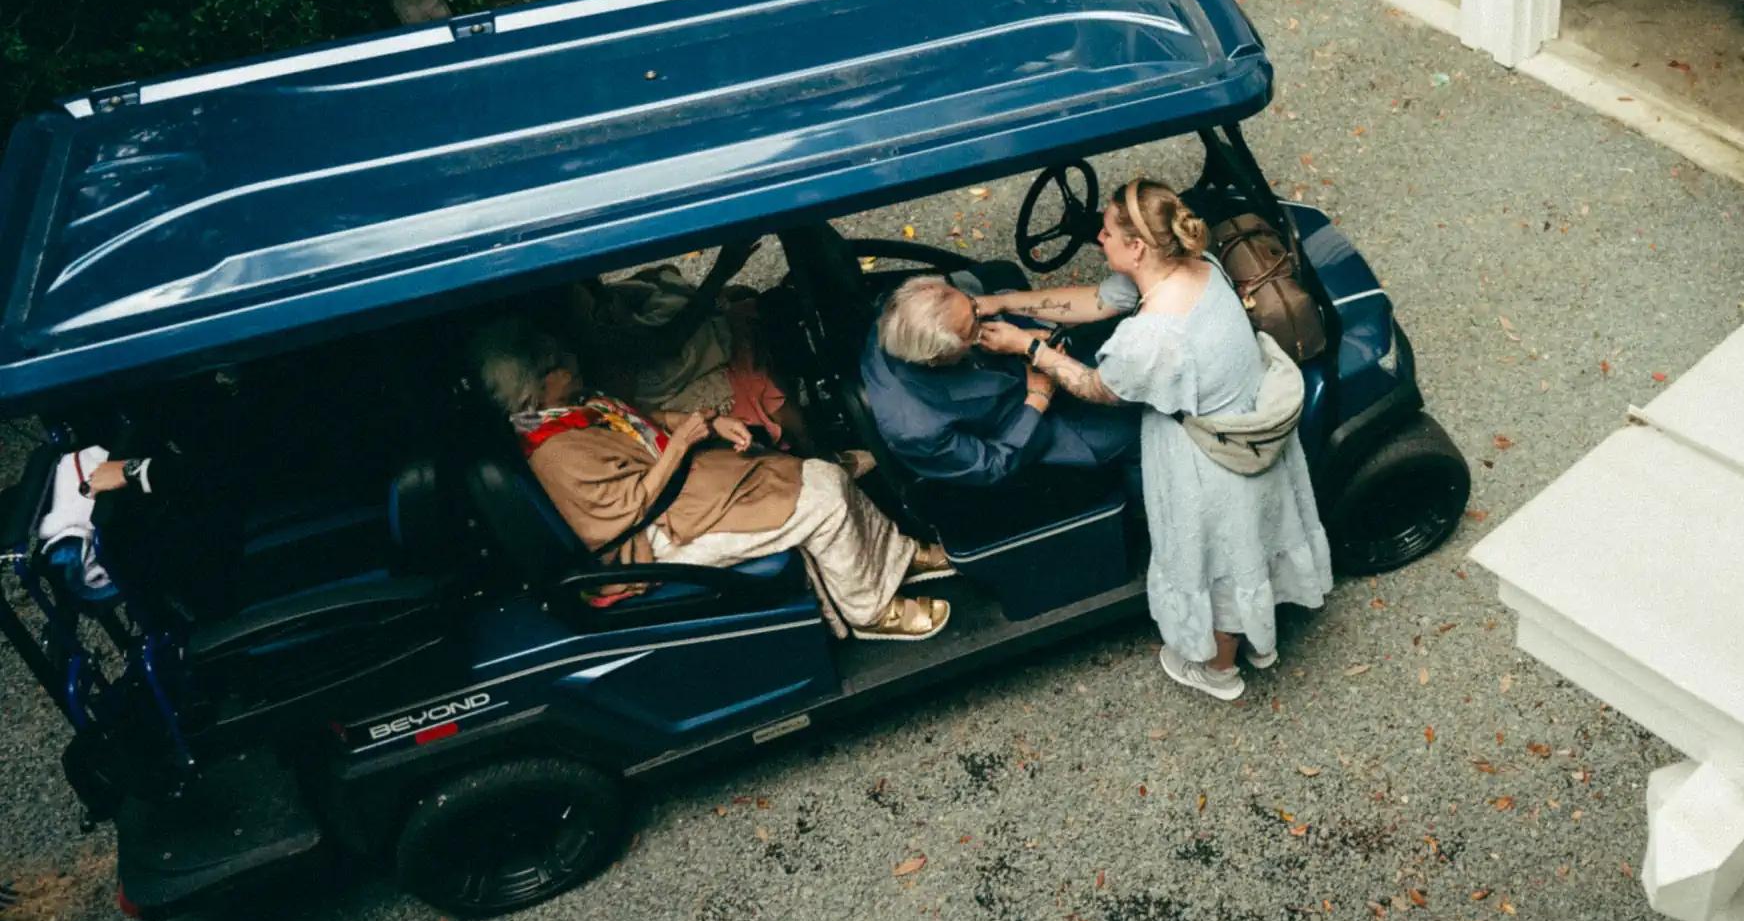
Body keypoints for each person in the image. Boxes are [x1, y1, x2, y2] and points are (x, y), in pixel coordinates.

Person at [973, 180, 1332, 704]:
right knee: (1252, 543)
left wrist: (1030, 349)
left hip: (1209, 459)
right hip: (1245, 421)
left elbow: (1099, 386)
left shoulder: (1152, 337)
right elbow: (1095, 300)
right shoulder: (1197, 262)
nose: (1097, 237)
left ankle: (1219, 670)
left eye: (1107, 231)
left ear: (1137, 247)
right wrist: (1004, 301)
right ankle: (1257, 638)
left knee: (1218, 564)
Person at [467, 318, 951, 642]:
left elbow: (644, 417)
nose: (571, 362)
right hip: (660, 536)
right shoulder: (553, 449)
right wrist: (679, 446)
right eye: (557, 365)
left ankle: (897, 554)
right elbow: (624, 513)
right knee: (823, 497)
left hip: (683, 493)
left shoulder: (570, 407)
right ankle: (869, 610)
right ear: (534, 386)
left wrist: (706, 423)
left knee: (814, 472)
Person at [861, 275, 1138, 486]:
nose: (979, 314)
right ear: (936, 357)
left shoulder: (900, 315)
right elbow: (991, 465)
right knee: (1136, 429)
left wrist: (1024, 340)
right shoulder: (918, 429)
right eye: (973, 328)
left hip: (1011, 374)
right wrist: (1038, 399)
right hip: (1031, 429)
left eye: (972, 306)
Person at [560, 241, 810, 451]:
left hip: (666, 350)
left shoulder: (595, 295)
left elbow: (646, 288)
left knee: (750, 304)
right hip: (657, 381)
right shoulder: (588, 335)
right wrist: (721, 271)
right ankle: (813, 447)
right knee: (763, 380)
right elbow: (667, 342)